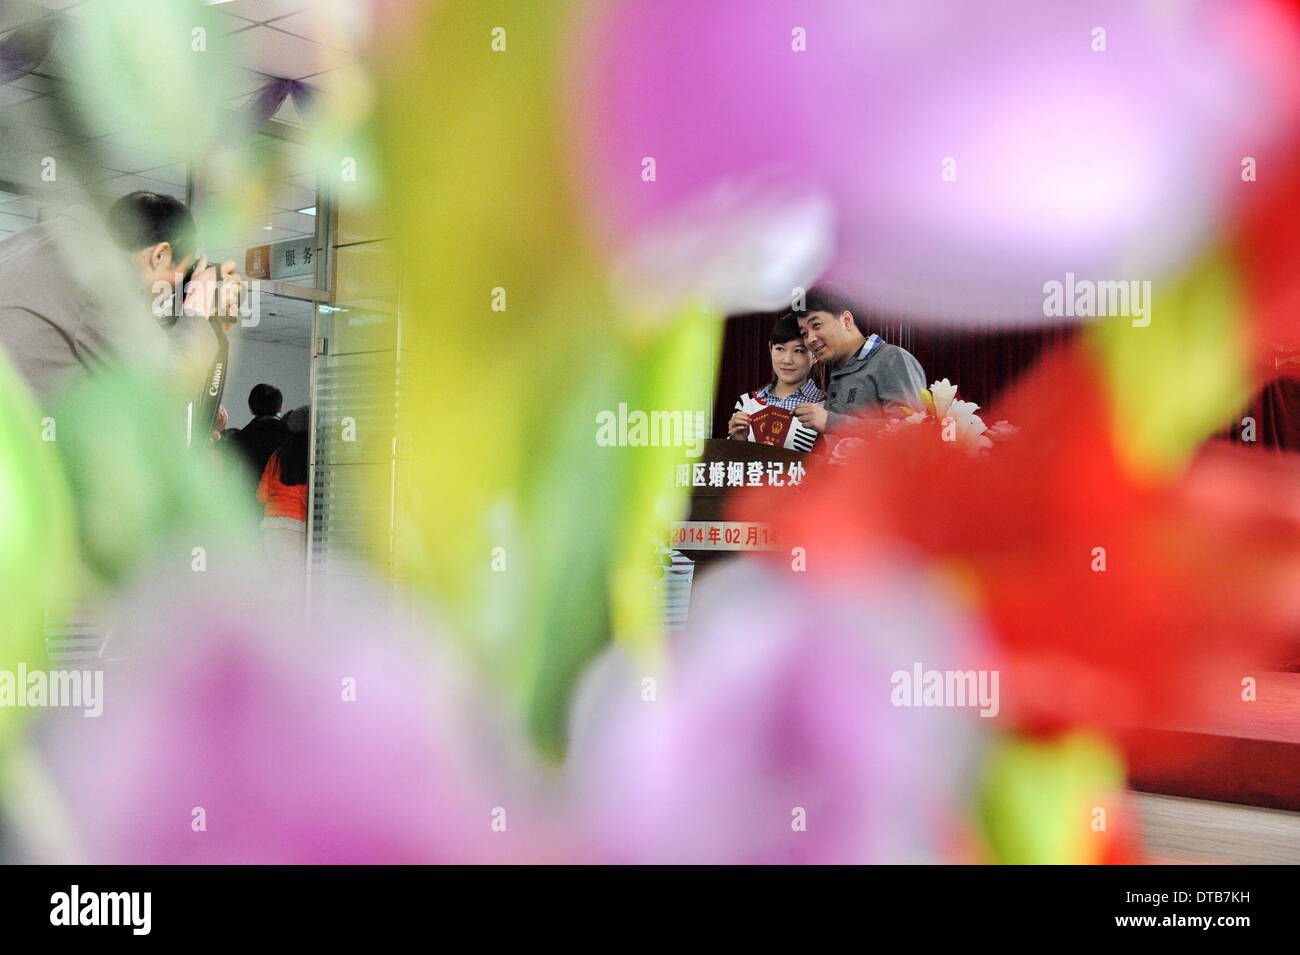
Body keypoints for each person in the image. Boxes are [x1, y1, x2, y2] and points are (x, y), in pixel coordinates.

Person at [0, 191, 238, 408]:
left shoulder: (50, 238)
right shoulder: (101, 282)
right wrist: (197, 307)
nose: (171, 288)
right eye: (176, 277)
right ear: (159, 254)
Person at [791, 286, 926, 436]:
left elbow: (909, 431)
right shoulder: (840, 371)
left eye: (816, 325)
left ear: (847, 321)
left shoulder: (891, 359)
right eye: (804, 333)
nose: (810, 339)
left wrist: (830, 422)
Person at [726, 312, 824, 453]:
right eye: (780, 349)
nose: (787, 360)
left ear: (815, 356)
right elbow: (727, 464)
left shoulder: (826, 406)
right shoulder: (747, 402)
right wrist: (738, 440)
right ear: (770, 348)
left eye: (799, 350)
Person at [257, 405, 309, 575]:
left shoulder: (277, 456)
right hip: (297, 528)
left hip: (271, 527)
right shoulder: (313, 458)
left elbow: (262, 495)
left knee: (278, 581)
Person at [230, 383, 287, 483]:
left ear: (251, 408)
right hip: (286, 496)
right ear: (280, 407)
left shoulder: (240, 439)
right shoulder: (292, 436)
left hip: (251, 496)